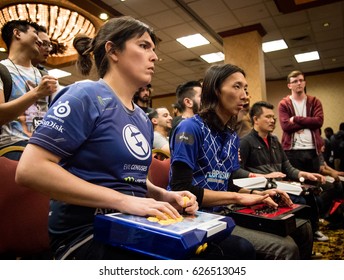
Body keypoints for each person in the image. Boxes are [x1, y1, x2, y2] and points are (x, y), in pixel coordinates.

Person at [15, 16, 255, 260]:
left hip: (131, 223)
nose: (154, 56)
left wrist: (162, 195)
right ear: (113, 51)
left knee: (238, 249)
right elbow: (30, 170)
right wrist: (125, 201)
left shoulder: (141, 118)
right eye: (143, 46)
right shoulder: (84, 94)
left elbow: (134, 181)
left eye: (153, 49)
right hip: (87, 233)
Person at [169, 63, 313, 260]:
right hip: (195, 217)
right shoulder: (190, 128)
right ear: (216, 91)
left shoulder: (231, 135)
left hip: (224, 211)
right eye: (237, 87)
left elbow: (226, 183)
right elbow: (181, 188)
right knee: (285, 248)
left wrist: (259, 194)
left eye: (245, 88)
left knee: (302, 228)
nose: (245, 95)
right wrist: (239, 198)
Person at [233, 101, 328, 242]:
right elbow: (236, 171)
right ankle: (300, 236)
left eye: (274, 118)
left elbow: (288, 168)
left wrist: (304, 174)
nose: (272, 121)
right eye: (268, 117)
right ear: (256, 119)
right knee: (301, 201)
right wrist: (263, 176)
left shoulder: (275, 140)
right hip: (263, 188)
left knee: (310, 196)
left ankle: (311, 232)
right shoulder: (245, 142)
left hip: (280, 185)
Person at [0, 20, 58, 160]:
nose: (39, 40)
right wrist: (36, 93)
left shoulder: (44, 76)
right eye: (34, 34)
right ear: (17, 33)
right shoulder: (3, 70)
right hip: (14, 146)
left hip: (45, 147)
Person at [278, 70, 324, 174]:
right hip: (292, 151)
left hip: (313, 150)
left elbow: (319, 122)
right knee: (297, 185)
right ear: (289, 85)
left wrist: (295, 119)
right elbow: (285, 126)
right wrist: (309, 123)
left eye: (301, 80)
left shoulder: (315, 102)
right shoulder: (284, 104)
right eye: (295, 81)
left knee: (314, 182)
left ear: (304, 83)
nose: (299, 83)